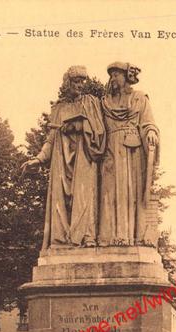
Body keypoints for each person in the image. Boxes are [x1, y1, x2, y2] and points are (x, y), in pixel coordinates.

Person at [22, 66, 105, 249]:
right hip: (62, 162)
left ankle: (86, 237)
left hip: (84, 157)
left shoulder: (91, 103)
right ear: (67, 83)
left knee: (85, 197)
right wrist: (39, 159)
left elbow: (99, 131)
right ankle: (61, 240)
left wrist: (79, 126)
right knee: (61, 202)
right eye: (76, 81)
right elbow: (50, 140)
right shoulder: (58, 108)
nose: (80, 85)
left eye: (83, 81)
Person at [98, 62, 159, 247]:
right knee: (109, 192)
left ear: (126, 76)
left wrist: (151, 132)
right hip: (110, 149)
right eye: (112, 75)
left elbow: (148, 122)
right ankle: (109, 237)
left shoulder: (140, 98)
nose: (113, 78)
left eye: (116, 74)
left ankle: (135, 236)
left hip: (132, 150)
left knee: (132, 192)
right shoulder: (104, 102)